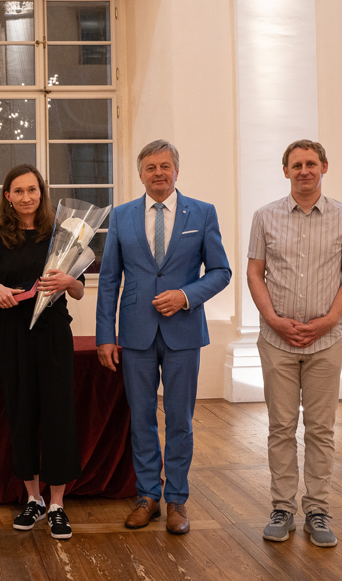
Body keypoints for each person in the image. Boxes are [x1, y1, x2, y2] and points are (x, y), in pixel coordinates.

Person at [95, 139, 231, 535]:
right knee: (141, 419)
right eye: (151, 167)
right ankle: (147, 496)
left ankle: (176, 501)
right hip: (135, 333)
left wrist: (185, 296)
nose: (158, 173)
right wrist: (106, 335)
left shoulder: (202, 213)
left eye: (165, 166)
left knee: (180, 420)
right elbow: (109, 280)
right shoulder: (121, 216)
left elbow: (221, 272)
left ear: (176, 171)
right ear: (140, 174)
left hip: (183, 333)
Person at [247, 140, 342, 548]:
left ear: (324, 167)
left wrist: (329, 320)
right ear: (285, 171)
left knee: (320, 429)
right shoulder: (264, 217)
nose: (304, 171)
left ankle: (317, 510)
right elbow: (255, 272)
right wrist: (273, 320)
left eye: (311, 163)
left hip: (326, 341)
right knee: (280, 428)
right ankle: (282, 508)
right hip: (276, 341)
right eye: (296, 165)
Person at [0, 164, 84, 540]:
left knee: (59, 415)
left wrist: (69, 280)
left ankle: (57, 504)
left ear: (42, 193)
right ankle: (33, 499)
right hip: (13, 335)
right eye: (19, 191)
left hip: (53, 334)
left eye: (32, 190)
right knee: (21, 414)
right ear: (7, 197)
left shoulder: (62, 234)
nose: (26, 197)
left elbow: (78, 291)